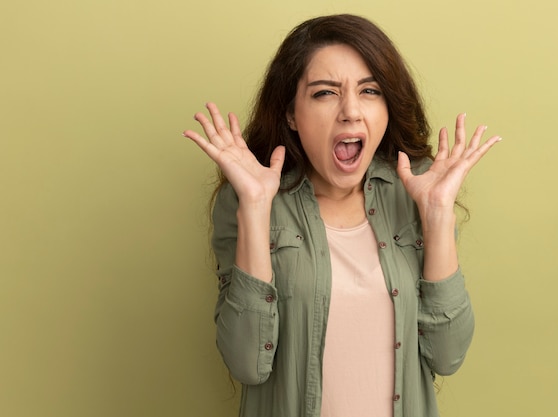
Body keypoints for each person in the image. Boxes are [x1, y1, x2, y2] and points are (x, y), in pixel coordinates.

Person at [183, 13, 501, 417]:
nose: (351, 111)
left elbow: (447, 356)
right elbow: (247, 363)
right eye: (324, 93)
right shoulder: (246, 200)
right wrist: (255, 210)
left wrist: (438, 214)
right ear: (290, 114)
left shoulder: (416, 193)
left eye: (370, 91)